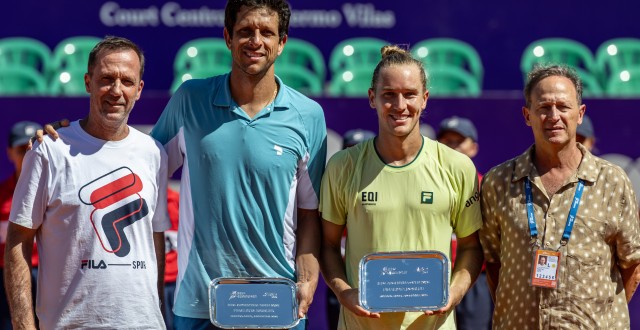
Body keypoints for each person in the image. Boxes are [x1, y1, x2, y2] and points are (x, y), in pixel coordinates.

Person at [150, 0, 327, 328]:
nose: (255, 41)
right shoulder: (190, 100)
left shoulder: (309, 116)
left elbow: (309, 215)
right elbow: (138, 164)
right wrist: (75, 136)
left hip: (277, 303)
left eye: (267, 33)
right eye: (245, 31)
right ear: (228, 37)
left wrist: (306, 279)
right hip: (200, 304)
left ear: (282, 43)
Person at [4, 36, 169, 329]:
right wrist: (23, 325)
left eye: (127, 81)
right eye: (106, 79)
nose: (116, 91)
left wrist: (155, 308)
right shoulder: (49, 150)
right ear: (87, 82)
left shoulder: (154, 153)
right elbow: (18, 240)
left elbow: (155, 238)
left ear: (139, 89)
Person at [320, 45, 483, 329]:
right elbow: (328, 245)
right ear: (372, 98)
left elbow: (471, 247)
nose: (399, 105)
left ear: (425, 99)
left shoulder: (457, 167)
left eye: (409, 94)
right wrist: (344, 293)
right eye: (388, 95)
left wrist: (453, 293)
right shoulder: (342, 166)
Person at [479, 64, 640, 329]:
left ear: (580, 113)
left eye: (563, 107)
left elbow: (632, 264)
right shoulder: (500, 181)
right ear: (527, 115)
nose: (553, 116)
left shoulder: (612, 181)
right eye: (543, 108)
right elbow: (495, 263)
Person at [436, 116, 492, 330]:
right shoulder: (422, 182)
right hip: (432, 277)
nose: (452, 147)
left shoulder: (485, 186)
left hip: (474, 279)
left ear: (473, 147)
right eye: (446, 141)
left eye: (458, 141)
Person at [325, 128, 376, 330]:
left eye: (360, 151)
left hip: (376, 279)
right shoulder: (332, 185)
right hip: (341, 278)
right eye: (349, 150)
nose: (355, 157)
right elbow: (328, 242)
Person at [1, 121, 42, 329]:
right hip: (7, 275)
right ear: (10, 153)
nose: (26, 155)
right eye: (20, 150)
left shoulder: (52, 193)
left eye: (31, 149)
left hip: (46, 273)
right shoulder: (1, 194)